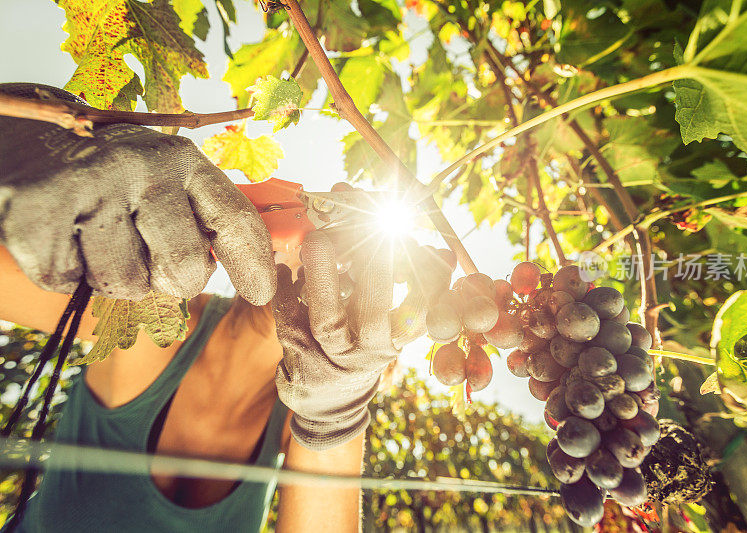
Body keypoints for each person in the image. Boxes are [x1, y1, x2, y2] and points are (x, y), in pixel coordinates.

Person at [0, 84, 453, 532]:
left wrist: (338, 416)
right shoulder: (153, 311)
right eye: (330, 223)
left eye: (363, 252)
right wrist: (14, 143)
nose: (336, 258)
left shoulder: (306, 418)